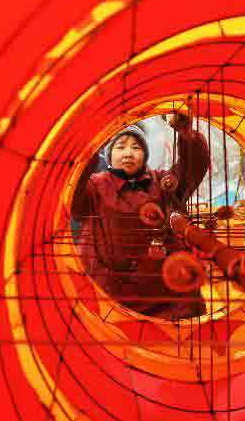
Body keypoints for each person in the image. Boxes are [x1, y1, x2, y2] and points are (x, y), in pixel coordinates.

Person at [71, 113, 211, 319]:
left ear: (145, 155)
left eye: (136, 147)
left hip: (173, 298)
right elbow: (74, 202)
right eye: (120, 147)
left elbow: (193, 167)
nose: (128, 152)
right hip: (114, 301)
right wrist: (89, 146)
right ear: (108, 156)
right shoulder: (93, 185)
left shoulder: (162, 181)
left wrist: (186, 135)